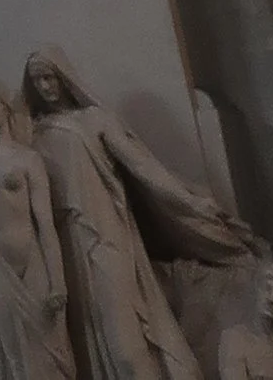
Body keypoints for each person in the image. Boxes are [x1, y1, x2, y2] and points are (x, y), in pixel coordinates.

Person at [21, 48, 251, 380]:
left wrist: (191, 202)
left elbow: (145, 169)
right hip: (63, 247)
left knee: (126, 346)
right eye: (37, 80)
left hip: (105, 236)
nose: (45, 86)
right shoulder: (34, 134)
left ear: (64, 77)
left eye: (50, 76)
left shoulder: (95, 120)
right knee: (83, 340)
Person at [0, 78, 77, 380]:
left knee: (51, 350)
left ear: (5, 108)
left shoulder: (27, 159)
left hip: (32, 260)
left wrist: (58, 281)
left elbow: (45, 223)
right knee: (13, 354)